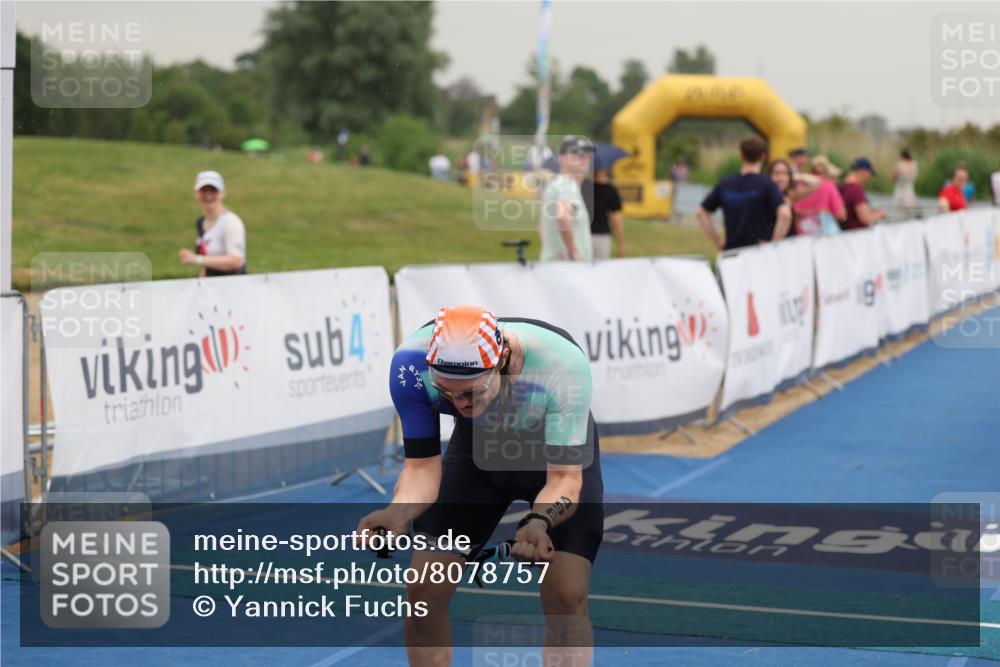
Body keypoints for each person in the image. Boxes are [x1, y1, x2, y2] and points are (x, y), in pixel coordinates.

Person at [357, 305, 603, 667]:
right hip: (475, 456)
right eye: (447, 393)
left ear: (500, 360)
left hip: (551, 458)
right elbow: (422, 467)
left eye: (472, 393)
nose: (459, 403)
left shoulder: (560, 365)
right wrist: (397, 512)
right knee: (424, 590)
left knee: (567, 594)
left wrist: (539, 521)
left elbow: (565, 478)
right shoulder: (410, 365)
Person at [697, 136, 791, 250]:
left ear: (741, 155)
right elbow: (785, 215)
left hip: (732, 252)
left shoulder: (725, 184)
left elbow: (701, 213)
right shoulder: (767, 184)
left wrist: (718, 242)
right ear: (763, 156)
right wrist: (773, 245)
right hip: (759, 251)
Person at [178, 171, 247, 276]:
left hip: (232, 283)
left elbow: (236, 261)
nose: (208, 195)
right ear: (197, 194)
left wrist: (196, 259)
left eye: (213, 190)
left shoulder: (230, 222)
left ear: (222, 193)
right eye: (203, 190)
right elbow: (206, 264)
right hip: (211, 283)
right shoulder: (201, 222)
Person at [539, 136, 595, 262]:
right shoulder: (567, 184)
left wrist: (554, 248)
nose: (584, 158)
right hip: (569, 268)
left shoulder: (556, 184)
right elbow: (563, 216)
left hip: (555, 265)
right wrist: (572, 252)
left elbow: (542, 227)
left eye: (586, 154)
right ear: (561, 158)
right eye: (576, 154)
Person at [792, 155, 847, 236]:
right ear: (826, 171)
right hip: (824, 235)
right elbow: (841, 214)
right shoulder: (828, 185)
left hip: (800, 234)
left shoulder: (799, 184)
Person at [767, 158, 820, 237]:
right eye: (776, 173)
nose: (780, 178)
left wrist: (795, 176)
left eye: (784, 173)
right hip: (770, 242)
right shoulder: (764, 195)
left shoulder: (791, 195)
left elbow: (816, 182)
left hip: (789, 241)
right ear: (769, 176)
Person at [582, 167, 624, 259]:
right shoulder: (610, 190)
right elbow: (616, 219)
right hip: (602, 236)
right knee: (601, 266)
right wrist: (621, 244)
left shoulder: (583, 187)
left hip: (583, 235)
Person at [839, 157, 885, 229]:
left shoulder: (842, 186)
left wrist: (870, 212)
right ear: (863, 172)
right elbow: (865, 219)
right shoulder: (856, 190)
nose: (869, 178)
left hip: (844, 231)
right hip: (855, 233)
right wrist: (878, 215)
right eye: (869, 174)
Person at [891, 149, 919, 220]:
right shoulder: (914, 164)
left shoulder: (900, 164)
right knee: (910, 207)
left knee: (896, 207)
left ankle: (897, 221)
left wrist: (894, 179)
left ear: (902, 156)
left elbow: (894, 176)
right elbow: (915, 178)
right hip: (910, 188)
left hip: (900, 188)